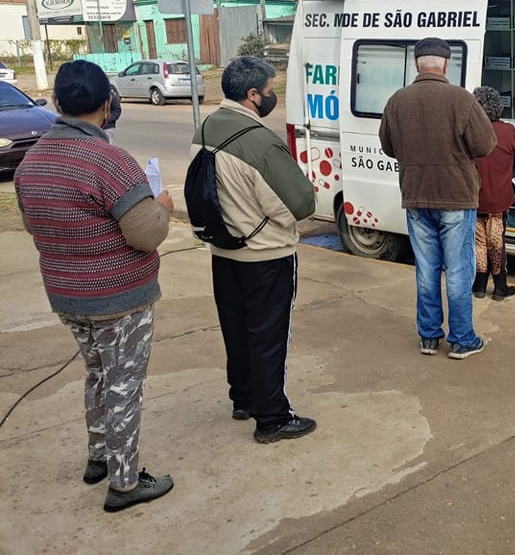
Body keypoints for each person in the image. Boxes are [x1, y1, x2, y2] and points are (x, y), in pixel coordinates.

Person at [14, 60, 175, 513]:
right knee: (123, 383)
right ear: (108, 104)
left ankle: (98, 456)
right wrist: (160, 206)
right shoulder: (110, 161)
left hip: (67, 296)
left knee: (97, 374)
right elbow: (146, 234)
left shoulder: (31, 162)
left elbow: (33, 225)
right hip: (118, 299)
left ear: (59, 103)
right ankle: (125, 483)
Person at [192, 56, 317, 443]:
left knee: (237, 331)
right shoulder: (261, 141)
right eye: (269, 90)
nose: (272, 96)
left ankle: (243, 398)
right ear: (251, 95)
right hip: (265, 257)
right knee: (268, 336)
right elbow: (301, 203)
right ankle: (273, 417)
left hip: (223, 252)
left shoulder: (208, 126)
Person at [379, 38, 496, 359]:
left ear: (417, 64)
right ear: (445, 65)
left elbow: (388, 147)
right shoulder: (461, 100)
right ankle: (461, 339)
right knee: (458, 270)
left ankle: (429, 337)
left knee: (426, 268)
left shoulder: (397, 101)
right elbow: (485, 145)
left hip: (416, 196)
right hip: (456, 197)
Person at [471, 86, 515, 301]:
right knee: (496, 242)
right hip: (499, 199)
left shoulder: (471, 132)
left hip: (476, 198)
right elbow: (514, 152)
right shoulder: (508, 131)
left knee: (479, 243)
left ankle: (479, 286)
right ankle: (500, 287)